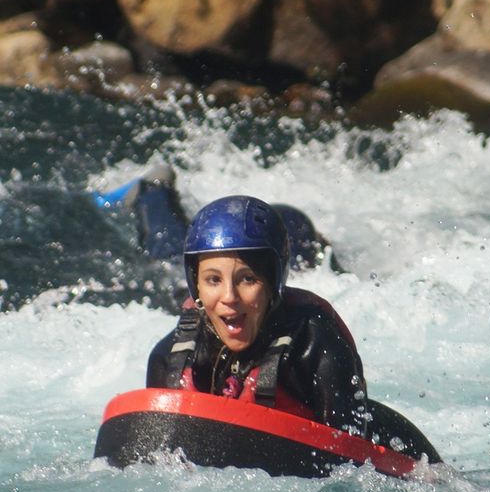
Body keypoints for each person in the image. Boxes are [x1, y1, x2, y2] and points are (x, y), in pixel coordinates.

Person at [145, 194, 369, 434]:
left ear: (272, 283)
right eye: (213, 280)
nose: (229, 296)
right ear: (196, 285)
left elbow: (349, 460)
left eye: (247, 279)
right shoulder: (169, 359)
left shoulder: (316, 347)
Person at [95, 163, 337, 272]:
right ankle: (152, 189)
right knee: (168, 244)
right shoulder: (192, 275)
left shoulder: (319, 286)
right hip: (188, 259)